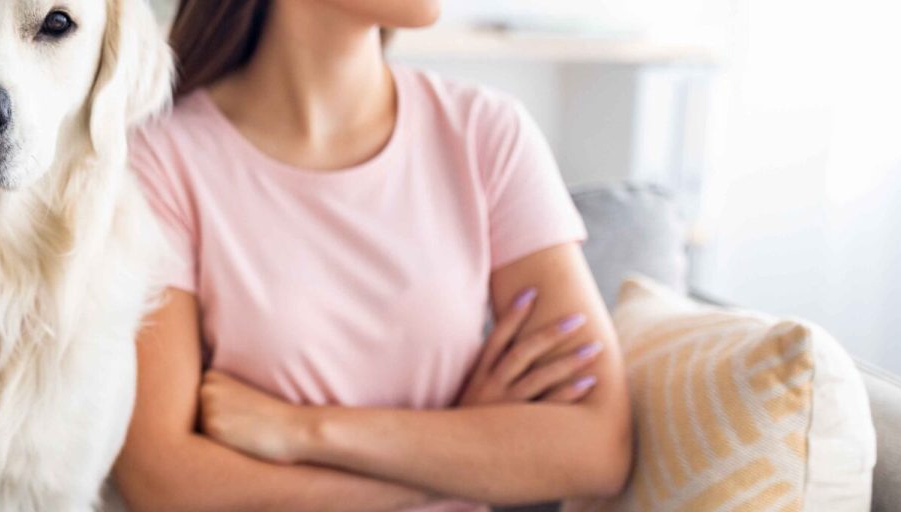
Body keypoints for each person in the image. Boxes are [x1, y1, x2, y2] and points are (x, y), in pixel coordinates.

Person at [113, 0, 632, 510]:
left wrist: (303, 431)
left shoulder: (486, 134)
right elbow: (161, 481)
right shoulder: (161, 160)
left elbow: (598, 447)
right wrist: (464, 459)